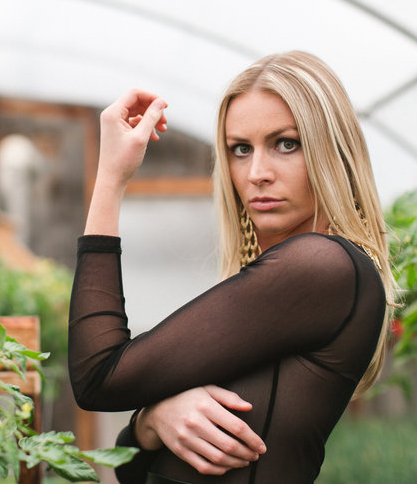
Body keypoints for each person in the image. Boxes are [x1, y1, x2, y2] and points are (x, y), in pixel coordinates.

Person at [68, 51, 398, 483]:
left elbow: (98, 377)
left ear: (332, 150)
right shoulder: (291, 283)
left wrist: (110, 178)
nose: (257, 172)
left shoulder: (322, 266)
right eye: (240, 149)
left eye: (286, 143)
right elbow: (130, 465)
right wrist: (150, 423)